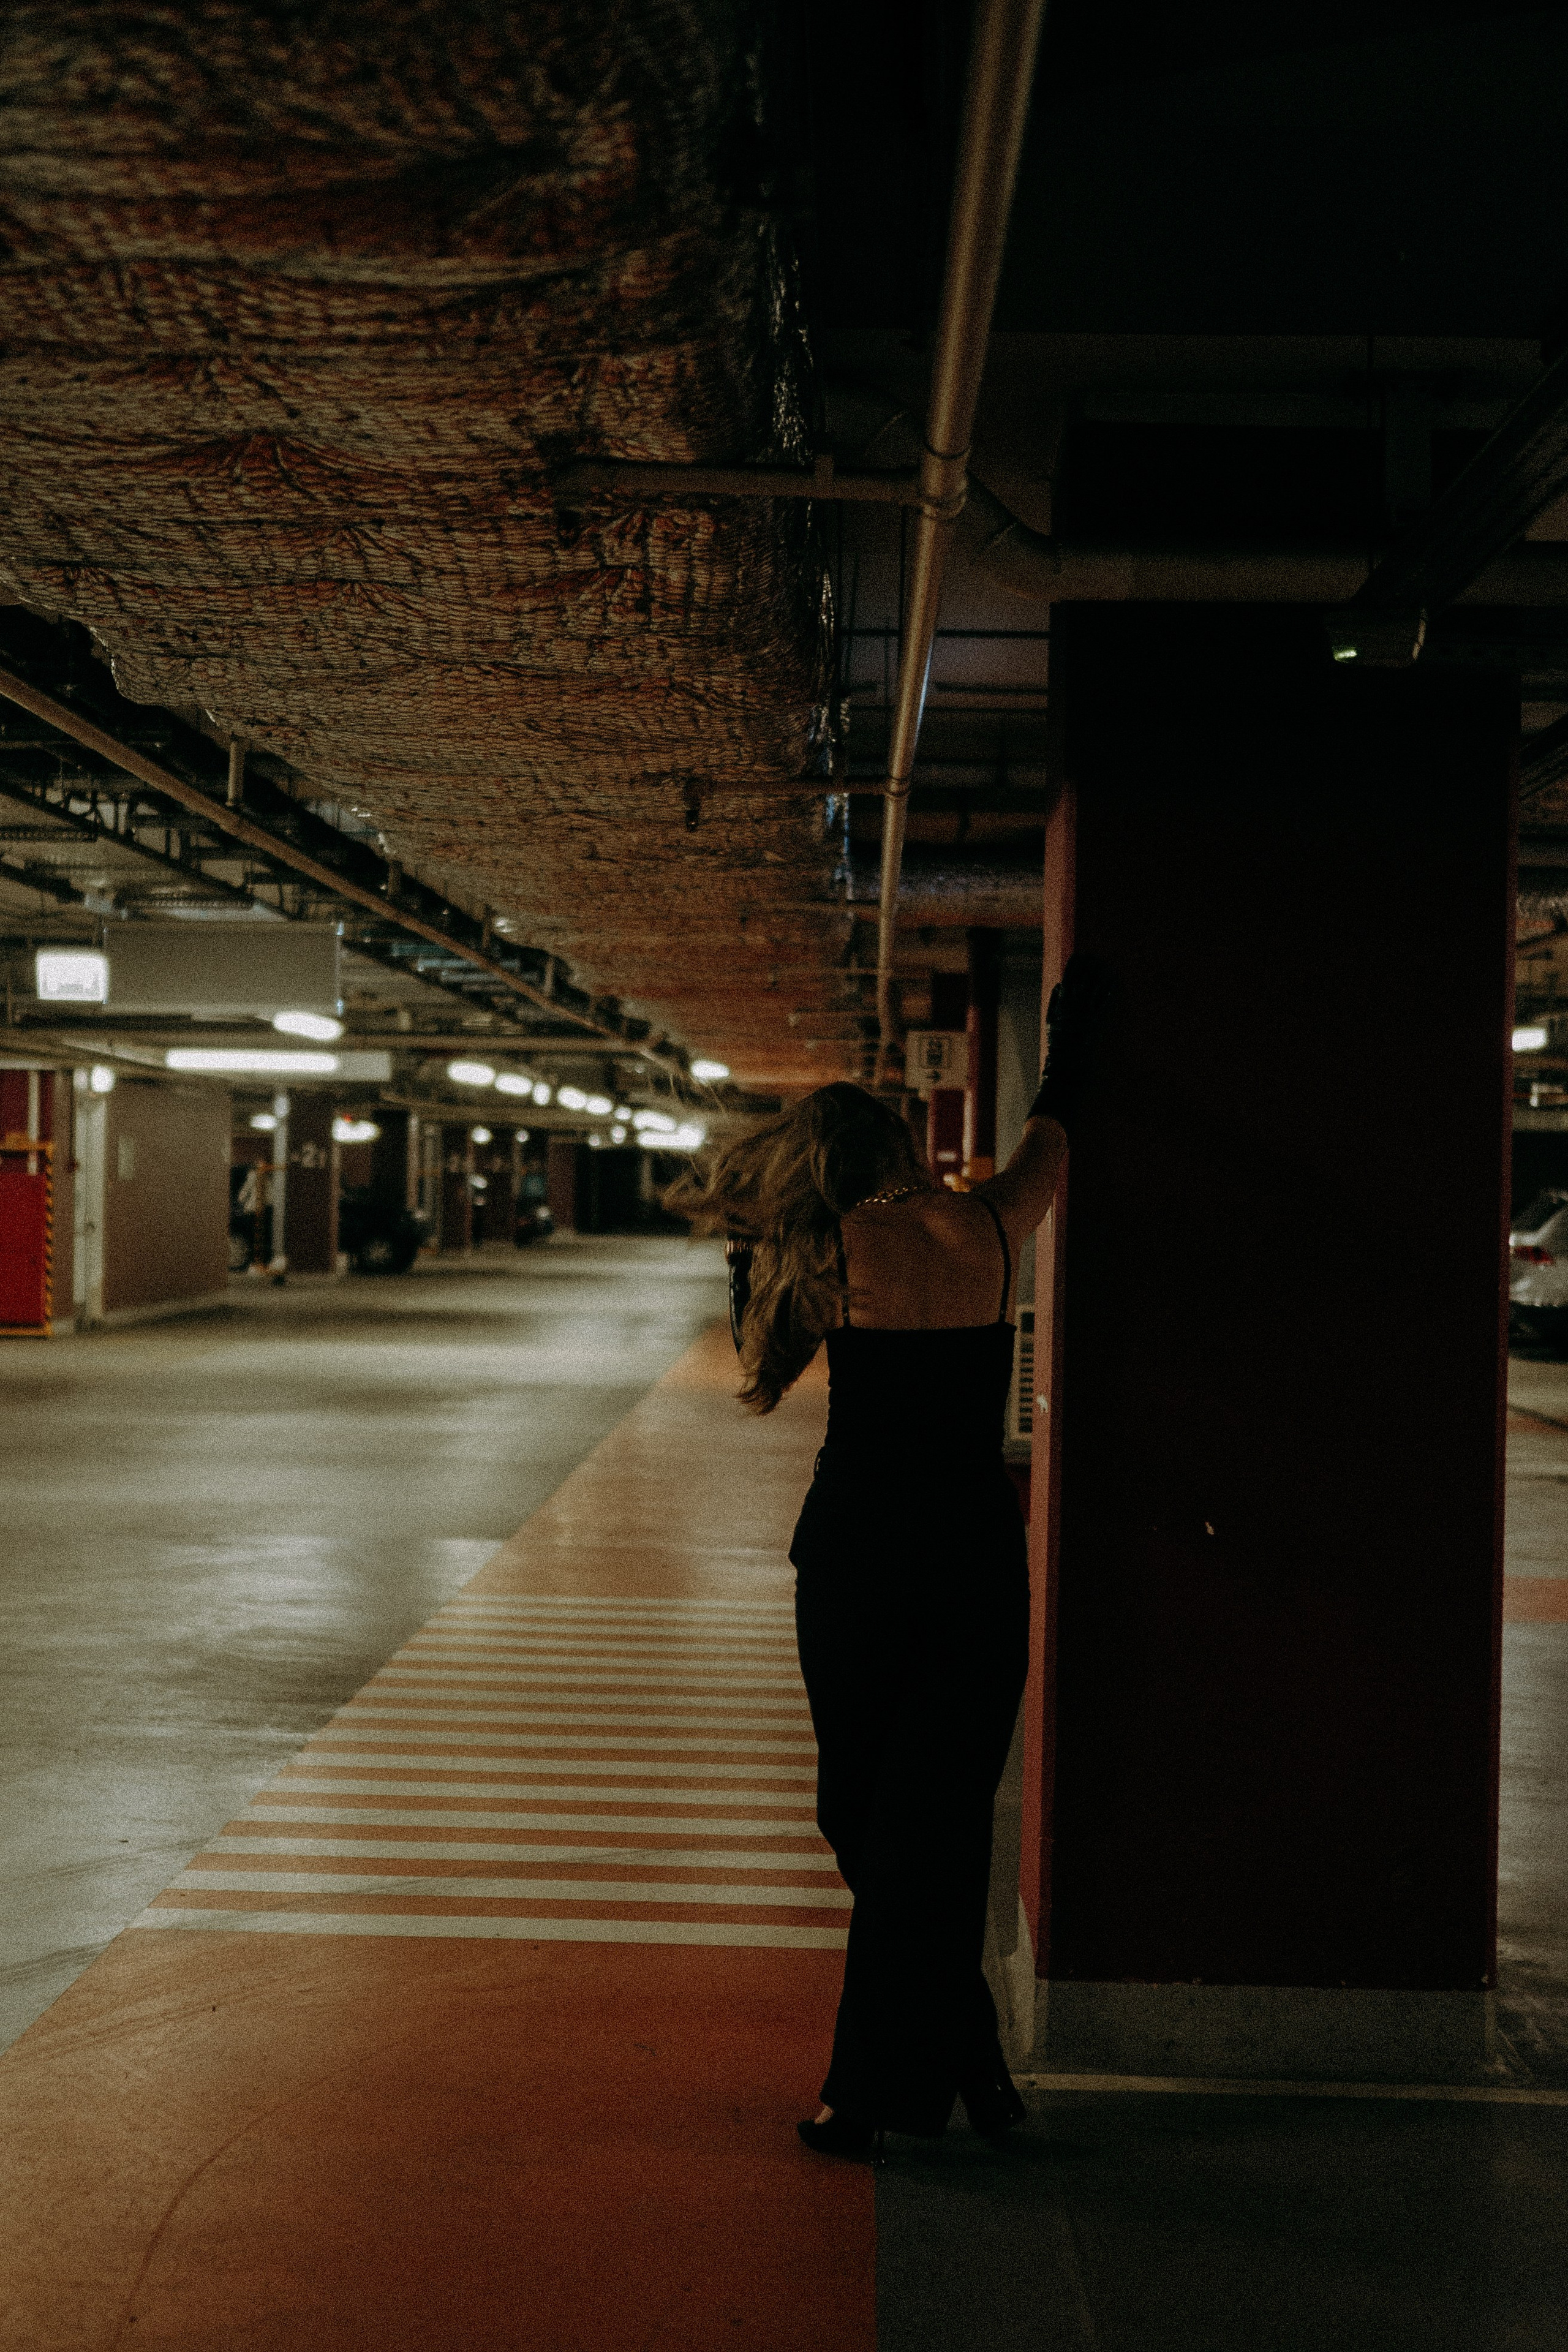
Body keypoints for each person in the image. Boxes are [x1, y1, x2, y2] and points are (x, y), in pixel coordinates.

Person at [669, 959, 1101, 2158]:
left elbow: (759, 1386)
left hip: (858, 1559)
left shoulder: (822, 1254)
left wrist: (746, 1266)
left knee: (861, 1815)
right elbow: (1053, 1141)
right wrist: (1071, 1040)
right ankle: (974, 2068)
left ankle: (866, 2097)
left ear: (816, 1165)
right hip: (973, 1560)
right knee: (937, 1825)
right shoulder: (983, 1225)